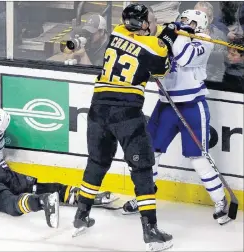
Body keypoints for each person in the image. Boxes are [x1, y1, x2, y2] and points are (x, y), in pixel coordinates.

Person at [72, 3, 179, 251]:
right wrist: (168, 37)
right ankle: (151, 231)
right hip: (126, 113)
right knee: (142, 168)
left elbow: (141, 43)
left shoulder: (117, 32)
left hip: (97, 108)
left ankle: (80, 216)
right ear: (142, 25)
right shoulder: (152, 45)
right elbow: (162, 69)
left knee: (97, 162)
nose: (153, 23)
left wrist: (161, 33)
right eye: (151, 20)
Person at [121, 9, 232, 226]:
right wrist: (166, 35)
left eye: (189, 21)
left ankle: (220, 201)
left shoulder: (204, 41)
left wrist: (176, 33)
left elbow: (185, 57)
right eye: (181, 19)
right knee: (150, 152)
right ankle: (144, 197)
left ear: (200, 26)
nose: (183, 23)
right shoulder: (172, 35)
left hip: (192, 106)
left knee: (198, 158)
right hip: (166, 105)